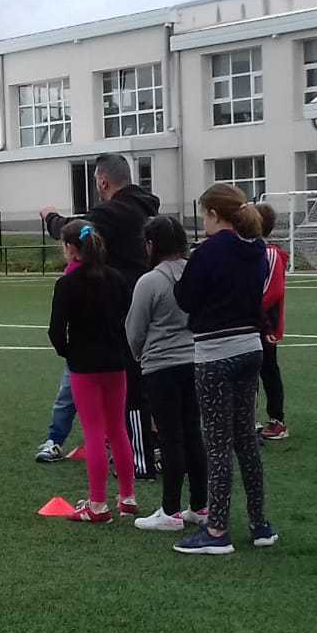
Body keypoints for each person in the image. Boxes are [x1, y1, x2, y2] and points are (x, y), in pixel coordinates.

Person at [171, 185, 278, 555]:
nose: (203, 221)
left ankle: (217, 529)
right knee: (245, 438)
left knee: (217, 444)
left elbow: (185, 298)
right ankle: (259, 523)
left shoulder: (208, 252)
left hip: (215, 351)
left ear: (215, 214)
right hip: (251, 347)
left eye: (204, 214)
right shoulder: (257, 249)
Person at [39, 151, 159, 473]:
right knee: (143, 380)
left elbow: (76, 229)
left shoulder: (113, 214)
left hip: (114, 315)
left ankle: (137, 458)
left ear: (103, 181)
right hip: (142, 305)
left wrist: (50, 218)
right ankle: (146, 445)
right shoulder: (145, 208)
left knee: (122, 390)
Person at [47, 221, 137, 523]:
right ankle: (127, 497)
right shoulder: (116, 279)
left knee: (94, 431)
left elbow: (56, 331)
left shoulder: (67, 284)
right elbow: (128, 318)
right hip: (115, 362)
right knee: (118, 428)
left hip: (84, 365)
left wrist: (69, 352)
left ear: (71, 248)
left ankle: (98, 504)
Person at [125, 216, 207, 532]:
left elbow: (135, 329)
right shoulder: (196, 273)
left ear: (151, 245)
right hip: (195, 359)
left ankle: (170, 510)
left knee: (171, 436)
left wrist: (140, 355)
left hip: (162, 365)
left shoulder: (150, 281)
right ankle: (200, 504)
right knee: (193, 433)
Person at [254, 202, 289, 442]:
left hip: (265, 323)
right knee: (250, 372)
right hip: (252, 321)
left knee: (268, 370)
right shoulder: (250, 251)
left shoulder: (270, 253)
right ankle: (250, 418)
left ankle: (277, 420)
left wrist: (251, 309)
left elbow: (272, 291)